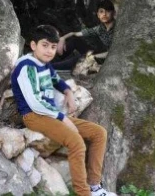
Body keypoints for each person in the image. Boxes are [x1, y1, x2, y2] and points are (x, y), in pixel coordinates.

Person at [11, 25, 115, 196]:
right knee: (76, 142)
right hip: (33, 115)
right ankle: (83, 193)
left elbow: (56, 80)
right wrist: (63, 118)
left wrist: (68, 92)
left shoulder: (44, 64)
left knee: (99, 133)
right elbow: (35, 103)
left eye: (53, 47)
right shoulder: (26, 66)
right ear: (33, 45)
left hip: (51, 114)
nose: (49, 51)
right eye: (45, 45)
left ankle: (95, 187)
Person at [52, 0, 116, 70]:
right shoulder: (100, 29)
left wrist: (93, 56)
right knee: (75, 41)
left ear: (114, 13)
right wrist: (62, 38)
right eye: (101, 11)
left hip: (110, 59)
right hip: (101, 55)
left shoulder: (118, 29)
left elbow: (115, 52)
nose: (104, 14)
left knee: (82, 58)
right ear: (98, 15)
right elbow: (75, 34)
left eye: (108, 11)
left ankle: (51, 67)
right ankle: (50, 59)